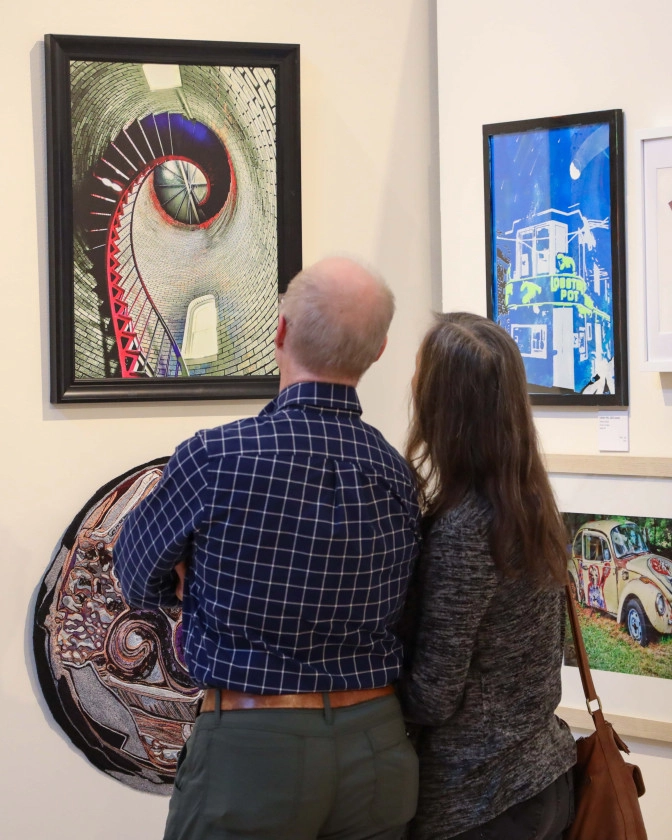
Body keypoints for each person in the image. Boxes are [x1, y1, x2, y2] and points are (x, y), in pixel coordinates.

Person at [113, 256, 421, 840]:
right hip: (379, 743)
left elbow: (135, 574)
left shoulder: (216, 458)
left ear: (278, 332)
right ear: (379, 350)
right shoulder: (395, 473)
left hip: (252, 751)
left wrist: (191, 578)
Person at [399, 312, 576, 840]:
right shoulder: (532, 507)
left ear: (444, 406)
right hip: (544, 778)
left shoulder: (465, 529)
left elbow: (435, 693)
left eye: (420, 376)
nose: (411, 386)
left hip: (481, 798)